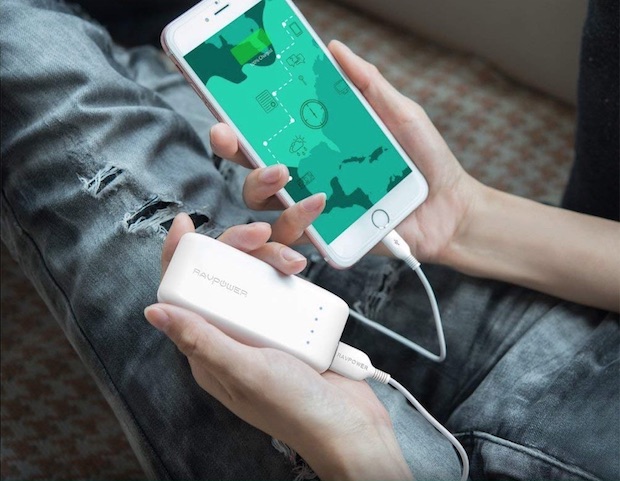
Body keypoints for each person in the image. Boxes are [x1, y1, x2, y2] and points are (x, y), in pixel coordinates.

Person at [1, 1, 618, 480]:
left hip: (373, 457)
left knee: (25, 48)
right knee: (172, 94)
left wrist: (356, 447)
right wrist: (466, 219)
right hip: (570, 321)